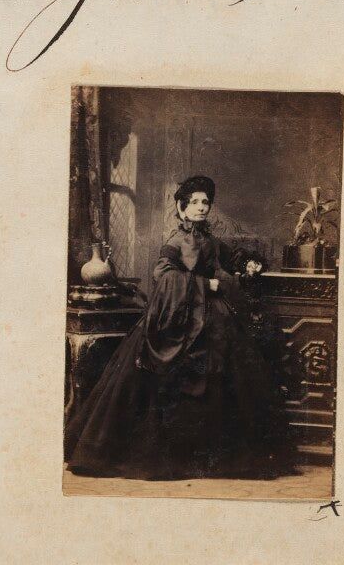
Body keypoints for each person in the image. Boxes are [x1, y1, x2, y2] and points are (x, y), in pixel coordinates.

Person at [65, 175, 297, 480]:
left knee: (230, 376)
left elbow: (229, 260)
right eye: (195, 202)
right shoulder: (175, 242)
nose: (202, 207)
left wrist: (248, 264)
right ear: (181, 207)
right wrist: (204, 284)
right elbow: (163, 276)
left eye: (206, 202)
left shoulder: (210, 240)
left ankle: (215, 456)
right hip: (180, 319)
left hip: (216, 320)